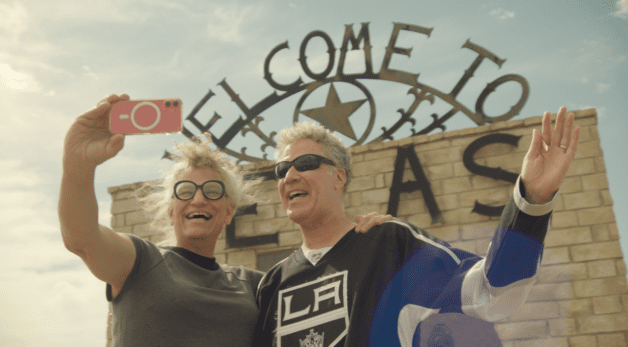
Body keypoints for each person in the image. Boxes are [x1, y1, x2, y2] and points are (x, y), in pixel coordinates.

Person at [58, 94, 389, 347]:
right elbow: (81, 238)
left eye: (212, 191)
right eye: (186, 190)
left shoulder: (259, 285)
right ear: (171, 209)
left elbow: (337, 294)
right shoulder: (139, 261)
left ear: (229, 211)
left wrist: (369, 238)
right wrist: (78, 168)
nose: (199, 198)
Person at [253, 106, 580, 347]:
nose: (290, 176)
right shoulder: (273, 283)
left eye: (306, 164)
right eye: (281, 169)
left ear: (339, 176)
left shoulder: (390, 245)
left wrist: (531, 202)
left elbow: (492, 292)